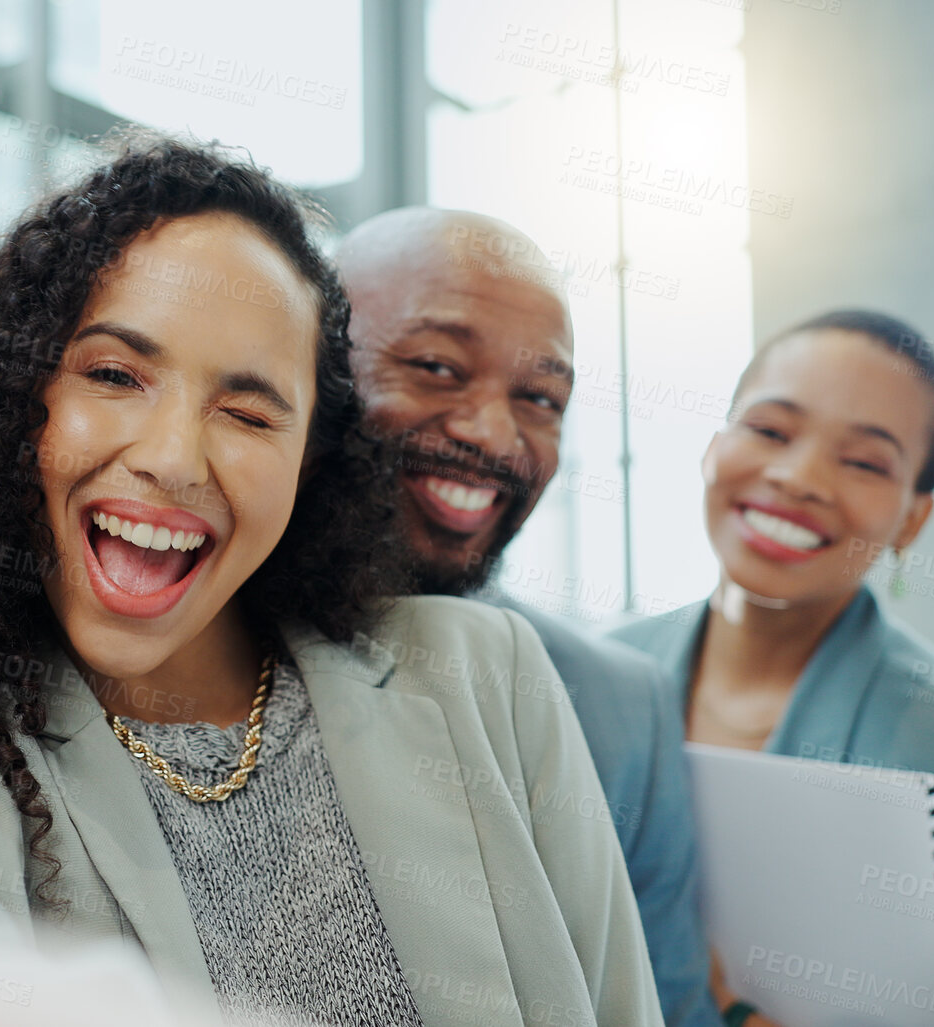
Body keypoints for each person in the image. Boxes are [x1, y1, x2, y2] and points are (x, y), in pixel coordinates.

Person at [0, 136, 663, 1026]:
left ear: (310, 462)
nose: (171, 458)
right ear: (17, 395)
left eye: (247, 412)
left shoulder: (484, 675)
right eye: (115, 374)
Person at [611, 309, 934, 1026]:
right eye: (770, 430)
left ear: (911, 519)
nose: (798, 476)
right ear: (714, 447)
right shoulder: (589, 685)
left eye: (866, 462)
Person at [338, 208, 717, 1027]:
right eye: (437, 366)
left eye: (540, 397)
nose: (490, 432)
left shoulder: (616, 706)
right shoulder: (180, 650)